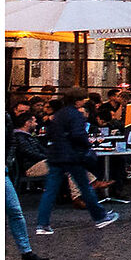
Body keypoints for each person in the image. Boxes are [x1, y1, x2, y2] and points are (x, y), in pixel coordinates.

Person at [35, 88, 119, 234]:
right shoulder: (76, 115)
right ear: (77, 100)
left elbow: (49, 134)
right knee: (85, 187)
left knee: (50, 191)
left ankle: (42, 224)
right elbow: (78, 135)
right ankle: (100, 217)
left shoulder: (58, 114)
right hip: (72, 156)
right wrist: (87, 146)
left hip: (56, 155)